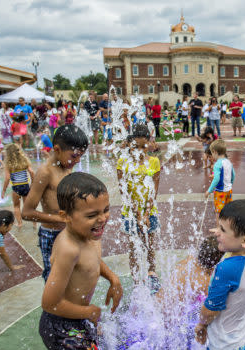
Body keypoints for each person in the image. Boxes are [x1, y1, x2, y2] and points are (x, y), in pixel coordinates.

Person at [39, 172, 122, 349]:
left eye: (106, 210)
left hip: (78, 317)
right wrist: (89, 311)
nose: (102, 219)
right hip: (61, 325)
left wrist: (112, 278)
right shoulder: (69, 249)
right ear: (65, 216)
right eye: (92, 215)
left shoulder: (90, 234)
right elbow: (49, 303)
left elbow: (92, 260)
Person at [195, 199, 245, 349]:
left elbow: (210, 311)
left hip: (225, 344)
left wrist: (201, 324)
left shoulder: (227, 269)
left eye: (223, 230)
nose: (217, 233)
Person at [22, 125, 89, 281]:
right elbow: (26, 212)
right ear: (57, 149)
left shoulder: (66, 166)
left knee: (74, 279)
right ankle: (51, 306)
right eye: (74, 156)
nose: (77, 160)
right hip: (52, 235)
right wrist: (62, 219)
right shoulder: (45, 172)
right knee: (55, 280)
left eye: (80, 156)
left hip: (70, 232)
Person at [117, 124, 161, 293]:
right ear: (130, 145)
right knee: (134, 246)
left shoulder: (154, 162)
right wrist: (138, 213)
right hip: (130, 211)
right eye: (137, 146)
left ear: (149, 144)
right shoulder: (123, 162)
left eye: (144, 146)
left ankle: (152, 273)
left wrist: (147, 213)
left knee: (150, 244)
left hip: (150, 211)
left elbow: (154, 190)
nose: (141, 150)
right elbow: (124, 191)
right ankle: (136, 278)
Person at [2, 144, 35, 227]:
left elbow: (7, 178)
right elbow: (31, 172)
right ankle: (34, 223)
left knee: (16, 206)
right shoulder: (24, 161)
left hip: (16, 187)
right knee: (28, 206)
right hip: (25, 186)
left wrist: (4, 190)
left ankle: (20, 223)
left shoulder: (8, 164)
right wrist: (33, 183)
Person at [205, 140, 235, 226]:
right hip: (229, 190)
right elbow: (233, 175)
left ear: (214, 152)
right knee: (228, 209)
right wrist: (230, 184)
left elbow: (216, 178)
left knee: (218, 211)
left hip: (220, 192)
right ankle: (228, 226)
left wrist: (209, 190)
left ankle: (218, 228)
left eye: (212, 153)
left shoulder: (218, 164)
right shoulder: (228, 162)